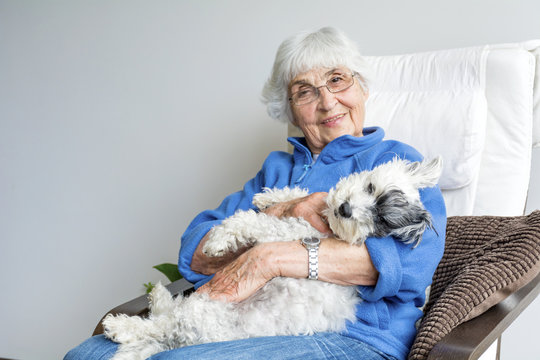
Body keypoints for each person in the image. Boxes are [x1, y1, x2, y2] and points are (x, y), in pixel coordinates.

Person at [65, 27, 446, 360]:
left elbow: (412, 265)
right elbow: (196, 250)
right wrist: (284, 212)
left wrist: (271, 258)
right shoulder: (276, 170)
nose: (327, 101)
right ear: (291, 111)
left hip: (352, 337)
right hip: (245, 324)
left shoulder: (394, 164)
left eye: (337, 80)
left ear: (360, 87)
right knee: (85, 355)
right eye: (305, 91)